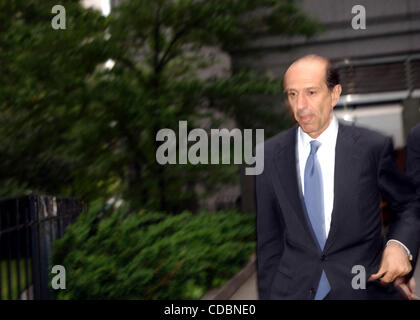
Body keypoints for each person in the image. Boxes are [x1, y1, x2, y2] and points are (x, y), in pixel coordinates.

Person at [255, 54, 420, 299]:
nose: (300, 105)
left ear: (334, 94)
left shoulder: (371, 147)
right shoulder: (267, 156)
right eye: (292, 94)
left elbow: (408, 204)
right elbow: (269, 243)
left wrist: (398, 246)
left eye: (311, 92)